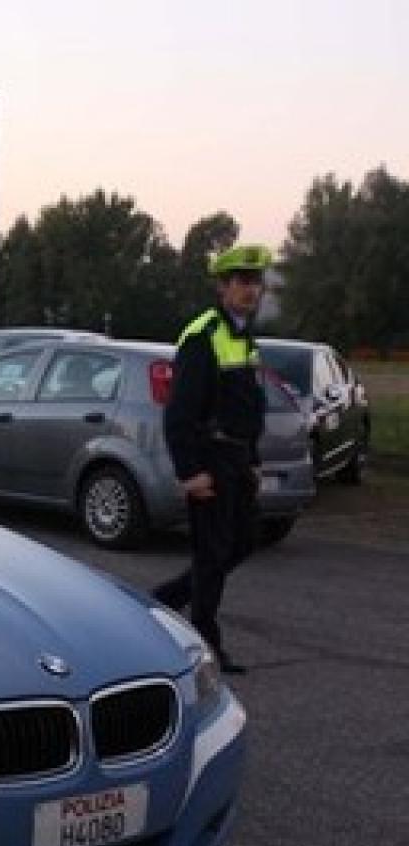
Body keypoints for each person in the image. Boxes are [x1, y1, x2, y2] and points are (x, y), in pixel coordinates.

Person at [152, 244, 273, 674]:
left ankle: (165, 601)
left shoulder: (244, 337)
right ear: (223, 286)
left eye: (256, 282)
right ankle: (206, 646)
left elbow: (249, 404)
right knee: (212, 554)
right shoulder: (202, 335)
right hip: (211, 458)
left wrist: (253, 458)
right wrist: (190, 471)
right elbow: (179, 413)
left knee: (242, 542)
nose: (250, 290)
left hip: (238, 458)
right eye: (242, 281)